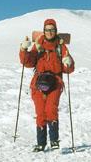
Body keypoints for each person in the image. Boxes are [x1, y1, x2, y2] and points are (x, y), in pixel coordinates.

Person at [19, 19, 75, 152]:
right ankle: (41, 143)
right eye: (47, 29)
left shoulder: (61, 47)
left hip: (55, 83)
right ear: (44, 31)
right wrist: (24, 49)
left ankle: (54, 140)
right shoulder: (38, 45)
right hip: (38, 83)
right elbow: (28, 62)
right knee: (40, 112)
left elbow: (68, 69)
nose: (50, 32)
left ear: (56, 31)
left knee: (51, 109)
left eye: (52, 29)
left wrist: (69, 62)